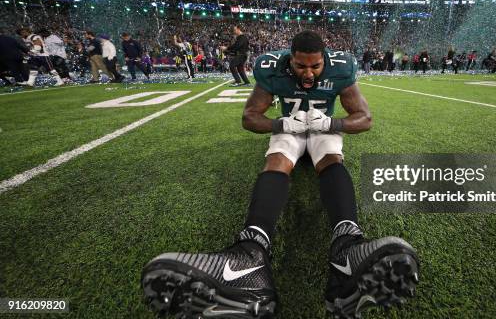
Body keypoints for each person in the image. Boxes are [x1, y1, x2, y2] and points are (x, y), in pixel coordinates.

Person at [141, 30, 419, 318]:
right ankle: (251, 252)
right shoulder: (272, 67)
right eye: (301, 66)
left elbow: (365, 119)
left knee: (331, 158)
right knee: (278, 158)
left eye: (315, 66)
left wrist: (330, 123)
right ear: (290, 60)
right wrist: (282, 124)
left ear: (325, 60)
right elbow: (250, 117)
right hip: (291, 127)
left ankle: (347, 247)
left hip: (323, 127)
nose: (309, 73)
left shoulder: (341, 67)